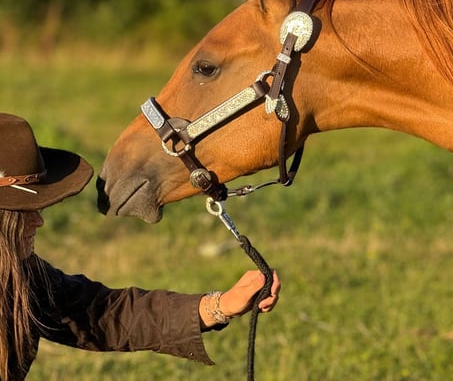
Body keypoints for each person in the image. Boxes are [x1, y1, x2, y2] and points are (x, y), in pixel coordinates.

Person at [0, 112, 281, 380]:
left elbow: (105, 314)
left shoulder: (24, 274)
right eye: (23, 211)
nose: (39, 222)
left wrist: (219, 306)